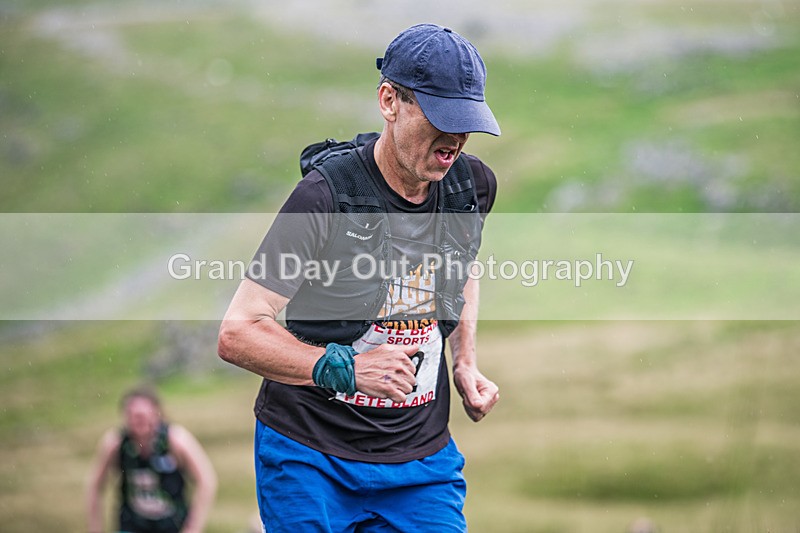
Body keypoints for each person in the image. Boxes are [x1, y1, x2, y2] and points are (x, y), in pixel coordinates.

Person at [218, 23, 501, 531]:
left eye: (467, 121)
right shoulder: (323, 198)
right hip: (310, 457)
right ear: (389, 101)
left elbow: (464, 268)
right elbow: (238, 332)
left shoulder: (471, 186)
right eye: (441, 117)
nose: (455, 138)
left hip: (420, 464)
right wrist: (348, 368)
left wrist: (466, 361)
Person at [87, 386, 217, 533]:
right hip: (132, 524)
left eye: (143, 416)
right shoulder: (116, 443)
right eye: (133, 416)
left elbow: (207, 480)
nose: (139, 422)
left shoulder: (176, 440)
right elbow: (95, 486)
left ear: (157, 414)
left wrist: (193, 528)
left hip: (172, 524)